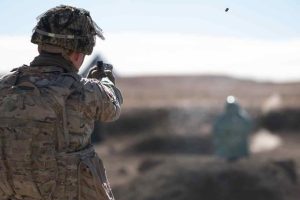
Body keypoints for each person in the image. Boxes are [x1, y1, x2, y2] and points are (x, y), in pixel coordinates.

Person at [0, 5, 122, 200]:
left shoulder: (5, 85)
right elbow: (112, 107)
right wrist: (105, 80)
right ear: (76, 53)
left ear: (40, 46)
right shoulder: (85, 90)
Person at [212, 96, 252, 162]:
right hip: (227, 143)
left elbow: (248, 127)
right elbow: (217, 129)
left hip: (239, 142)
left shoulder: (242, 117)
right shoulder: (223, 119)